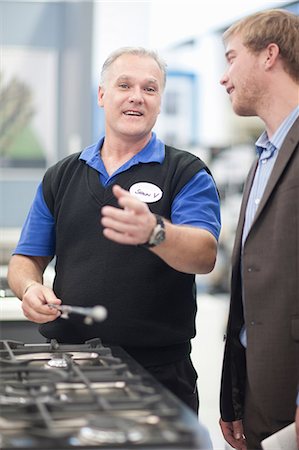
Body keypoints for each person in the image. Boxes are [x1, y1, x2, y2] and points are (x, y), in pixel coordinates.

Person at [7, 47, 221, 414]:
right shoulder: (62, 175)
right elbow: (26, 257)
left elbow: (204, 255)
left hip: (158, 374)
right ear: (102, 95)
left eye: (150, 89)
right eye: (125, 85)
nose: (137, 96)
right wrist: (29, 288)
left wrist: (155, 232)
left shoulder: (185, 173)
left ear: (159, 101)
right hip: (68, 366)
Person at [218, 9, 299, 450]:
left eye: (231, 59)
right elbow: (254, 284)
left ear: (270, 55)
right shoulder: (264, 155)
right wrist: (234, 397)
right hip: (258, 390)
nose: (223, 77)